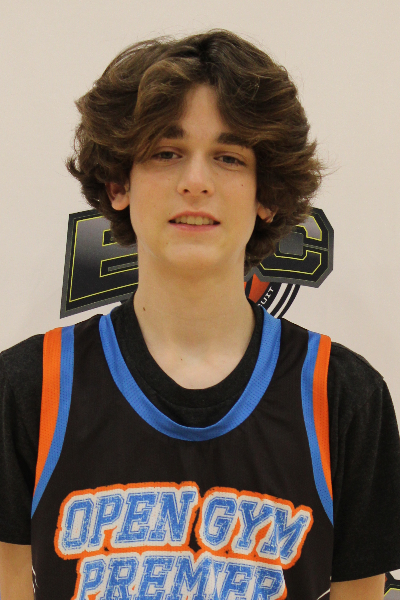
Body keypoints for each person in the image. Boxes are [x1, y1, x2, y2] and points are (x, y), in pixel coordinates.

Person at [0, 29, 399, 600]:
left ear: (267, 195)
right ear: (118, 182)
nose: (195, 182)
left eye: (228, 157)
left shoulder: (343, 396)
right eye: (166, 153)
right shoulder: (27, 389)